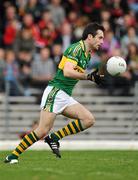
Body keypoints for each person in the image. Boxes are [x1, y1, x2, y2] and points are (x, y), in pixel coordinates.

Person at [4, 22, 105, 164]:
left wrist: (92, 77)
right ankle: (13, 156)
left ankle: (55, 137)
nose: (102, 41)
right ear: (90, 37)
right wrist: (88, 76)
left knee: (89, 120)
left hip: (65, 95)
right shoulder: (76, 49)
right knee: (42, 130)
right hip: (55, 92)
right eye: (100, 38)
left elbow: (76, 72)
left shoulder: (87, 54)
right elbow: (68, 71)